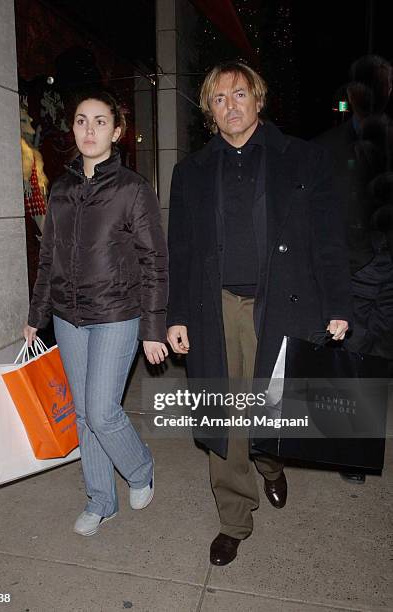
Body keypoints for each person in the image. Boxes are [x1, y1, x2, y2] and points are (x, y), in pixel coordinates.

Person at [167, 61, 352, 566]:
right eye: (219, 98)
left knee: (274, 410)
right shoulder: (191, 173)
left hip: (285, 305)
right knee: (224, 413)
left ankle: (271, 464)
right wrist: (176, 313)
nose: (231, 105)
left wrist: (338, 303)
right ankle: (234, 518)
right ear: (209, 110)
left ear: (258, 99)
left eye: (239, 93)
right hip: (217, 308)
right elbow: (180, 250)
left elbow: (328, 239)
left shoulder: (303, 160)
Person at [24, 90, 168, 536]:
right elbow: (49, 257)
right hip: (68, 315)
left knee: (103, 411)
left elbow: (155, 261)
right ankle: (101, 500)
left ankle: (140, 468)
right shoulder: (62, 190)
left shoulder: (132, 190)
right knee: (84, 414)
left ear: (117, 132)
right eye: (82, 120)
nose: (90, 130)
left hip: (116, 313)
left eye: (100, 121)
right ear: (73, 128)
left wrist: (154, 328)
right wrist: (37, 314)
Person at [315, 55, 393, 484]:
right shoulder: (325, 149)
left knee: (380, 360)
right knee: (357, 360)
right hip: (353, 272)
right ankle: (355, 453)